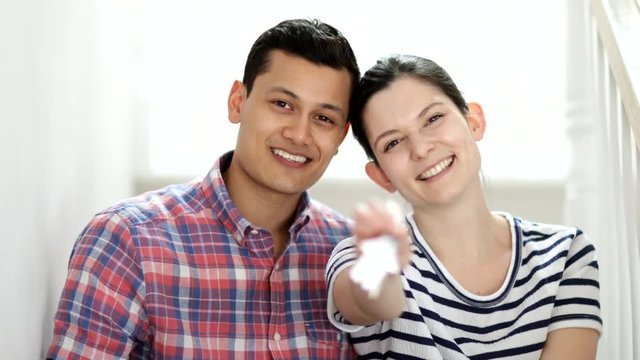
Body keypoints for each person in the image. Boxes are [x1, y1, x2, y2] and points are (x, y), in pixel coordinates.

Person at [47, 18, 360, 359]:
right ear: (238, 102)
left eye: (323, 119)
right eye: (282, 104)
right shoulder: (126, 240)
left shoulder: (353, 257)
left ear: (341, 136)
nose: (300, 135)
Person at [325, 54, 601, 359]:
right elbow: (369, 299)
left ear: (474, 122)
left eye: (432, 119)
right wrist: (381, 263)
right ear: (380, 176)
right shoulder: (363, 256)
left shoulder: (566, 255)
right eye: (393, 143)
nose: (421, 148)